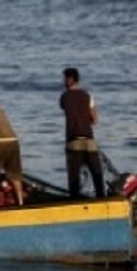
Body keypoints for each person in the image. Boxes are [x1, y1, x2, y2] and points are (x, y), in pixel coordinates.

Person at [60, 67, 105, 198]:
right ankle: (102, 199)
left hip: (73, 141)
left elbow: (64, 107)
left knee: (74, 178)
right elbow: (94, 120)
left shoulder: (64, 97)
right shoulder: (88, 96)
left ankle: (75, 201)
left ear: (70, 79)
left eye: (64, 79)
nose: (63, 81)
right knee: (97, 175)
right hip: (89, 141)